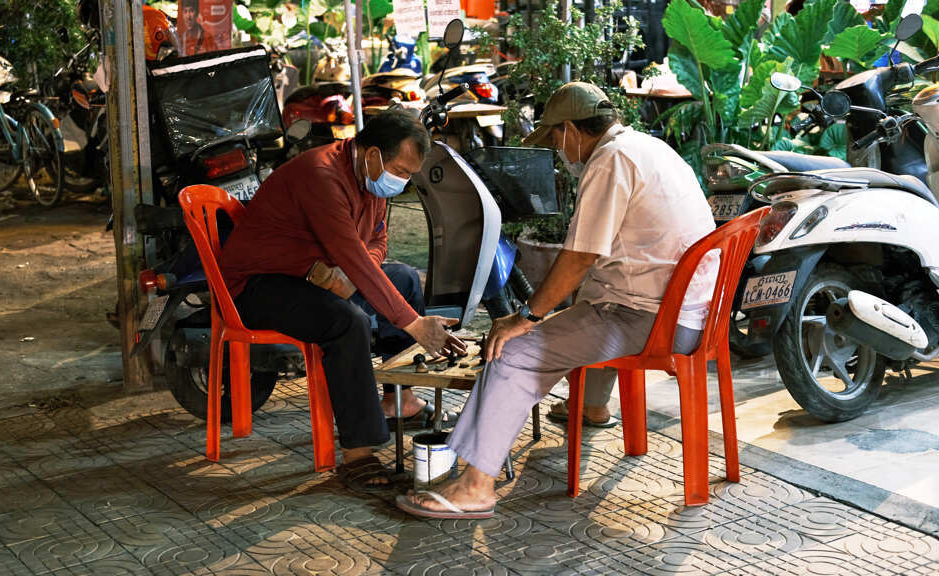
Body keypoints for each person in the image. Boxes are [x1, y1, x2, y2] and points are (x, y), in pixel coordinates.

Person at [396, 82, 718, 518]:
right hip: (691, 312)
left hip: (652, 319)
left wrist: (525, 317)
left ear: (570, 129)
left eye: (553, 137)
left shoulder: (611, 160)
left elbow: (581, 256)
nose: (555, 148)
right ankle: (592, 405)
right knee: (589, 301)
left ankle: (476, 487)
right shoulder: (647, 146)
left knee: (512, 353)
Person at [219, 110, 465, 492]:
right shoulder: (322, 175)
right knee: (346, 323)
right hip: (256, 286)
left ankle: (398, 401)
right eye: (399, 170)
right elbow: (348, 251)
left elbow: (377, 242)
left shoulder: (370, 182)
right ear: (372, 155)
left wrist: (354, 275)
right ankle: (357, 455)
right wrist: (413, 323)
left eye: (408, 175)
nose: (401, 181)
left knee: (402, 280)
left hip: (317, 276)